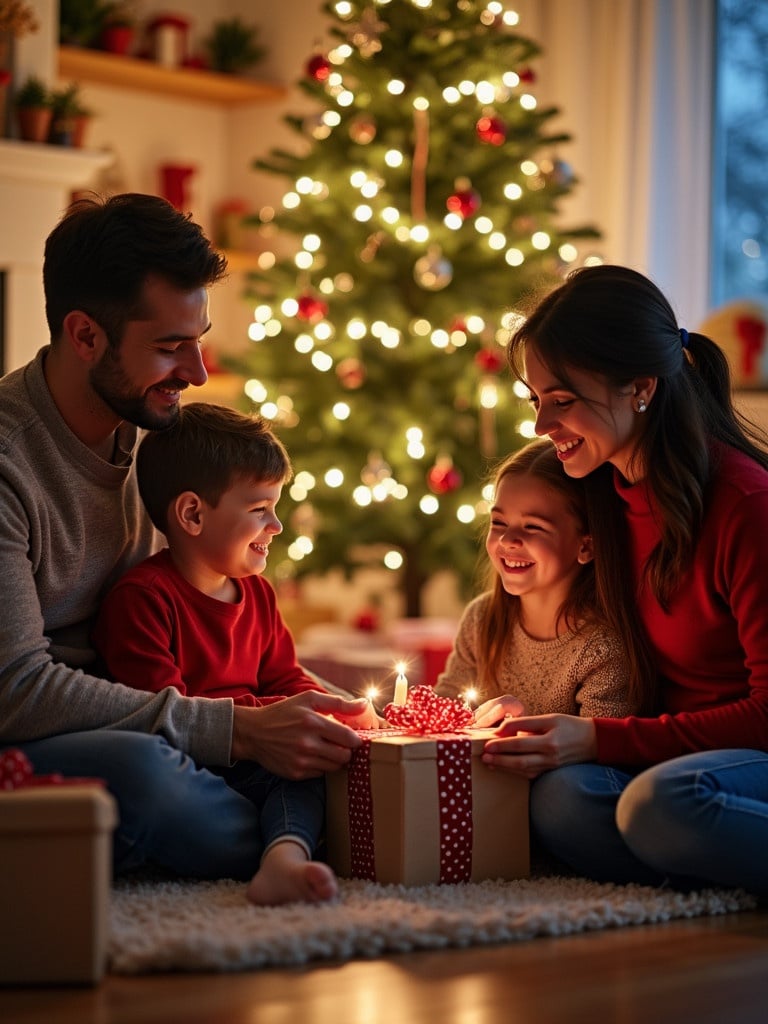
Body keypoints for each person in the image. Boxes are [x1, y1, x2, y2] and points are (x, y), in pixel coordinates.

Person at [0, 193, 372, 884]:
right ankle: (296, 838)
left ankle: (280, 838)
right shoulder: (9, 464)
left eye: (198, 339)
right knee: (147, 777)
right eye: (170, 348)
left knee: (316, 756)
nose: (198, 373)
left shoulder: (160, 435)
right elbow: (15, 689)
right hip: (44, 743)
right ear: (84, 336)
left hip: (157, 721)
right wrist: (240, 730)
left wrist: (354, 716)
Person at [485, 263, 768, 893]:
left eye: (562, 401)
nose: (540, 426)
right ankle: (707, 861)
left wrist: (597, 739)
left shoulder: (745, 505)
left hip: (743, 755)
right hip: (671, 755)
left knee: (664, 806)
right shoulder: (602, 496)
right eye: (535, 401)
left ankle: (692, 846)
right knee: (558, 799)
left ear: (640, 388)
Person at [93, 403, 378, 904]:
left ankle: (283, 857)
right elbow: (166, 710)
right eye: (259, 510)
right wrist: (278, 720)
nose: (277, 526)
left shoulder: (259, 595)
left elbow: (286, 678)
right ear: (193, 514)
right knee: (288, 771)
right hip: (203, 760)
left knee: (306, 770)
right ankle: (290, 846)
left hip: (262, 760)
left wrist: (341, 710)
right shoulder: (142, 600)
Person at [435, 439, 637, 722]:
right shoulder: (481, 621)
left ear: (586, 546)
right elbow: (442, 715)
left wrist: (524, 732)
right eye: (499, 523)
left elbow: (601, 752)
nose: (507, 540)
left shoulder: (602, 649)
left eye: (533, 527)